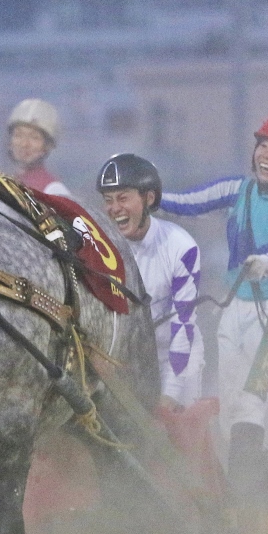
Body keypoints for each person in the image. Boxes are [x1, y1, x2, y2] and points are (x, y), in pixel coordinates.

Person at [158, 111, 268, 508]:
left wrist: (267, 262)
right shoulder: (238, 190)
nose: (267, 154)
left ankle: (244, 513)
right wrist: (146, 199)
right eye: (263, 144)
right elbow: (189, 202)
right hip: (234, 315)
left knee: (250, 408)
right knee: (232, 421)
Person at [96, 153, 203, 412]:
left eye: (123, 198)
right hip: (125, 364)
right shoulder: (99, 248)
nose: (114, 208)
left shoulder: (181, 246)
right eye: (108, 200)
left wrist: (170, 396)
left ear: (149, 198)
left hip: (174, 359)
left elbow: (183, 328)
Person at [7, 98, 71, 197]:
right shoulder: (6, 182)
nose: (24, 144)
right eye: (18, 135)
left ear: (47, 146)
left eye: (34, 137)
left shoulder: (54, 191)